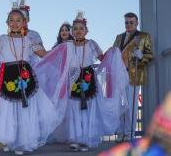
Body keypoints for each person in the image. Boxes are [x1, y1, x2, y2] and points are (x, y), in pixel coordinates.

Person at [0, 9, 78, 155]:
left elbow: (45, 54)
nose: (15, 23)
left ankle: (22, 142)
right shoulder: (2, 39)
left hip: (25, 77)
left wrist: (64, 49)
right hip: (7, 77)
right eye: (12, 20)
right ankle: (4, 138)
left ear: (24, 22)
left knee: (25, 109)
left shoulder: (30, 40)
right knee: (6, 108)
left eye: (19, 20)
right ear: (7, 23)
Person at [52, 11, 129, 152]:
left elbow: (103, 58)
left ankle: (86, 139)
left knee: (88, 110)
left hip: (88, 78)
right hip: (74, 78)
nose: (78, 31)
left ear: (86, 31)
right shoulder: (67, 45)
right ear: (72, 31)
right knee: (74, 109)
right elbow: (56, 59)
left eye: (81, 28)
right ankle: (75, 139)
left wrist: (112, 53)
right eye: (75, 29)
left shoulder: (92, 44)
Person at [113, 12, 153, 142]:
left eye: (131, 22)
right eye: (126, 22)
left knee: (131, 105)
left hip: (134, 74)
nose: (128, 25)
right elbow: (114, 54)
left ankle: (129, 133)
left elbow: (150, 55)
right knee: (119, 104)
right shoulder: (119, 37)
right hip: (119, 74)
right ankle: (120, 131)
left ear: (137, 23)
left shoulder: (143, 36)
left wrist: (141, 57)